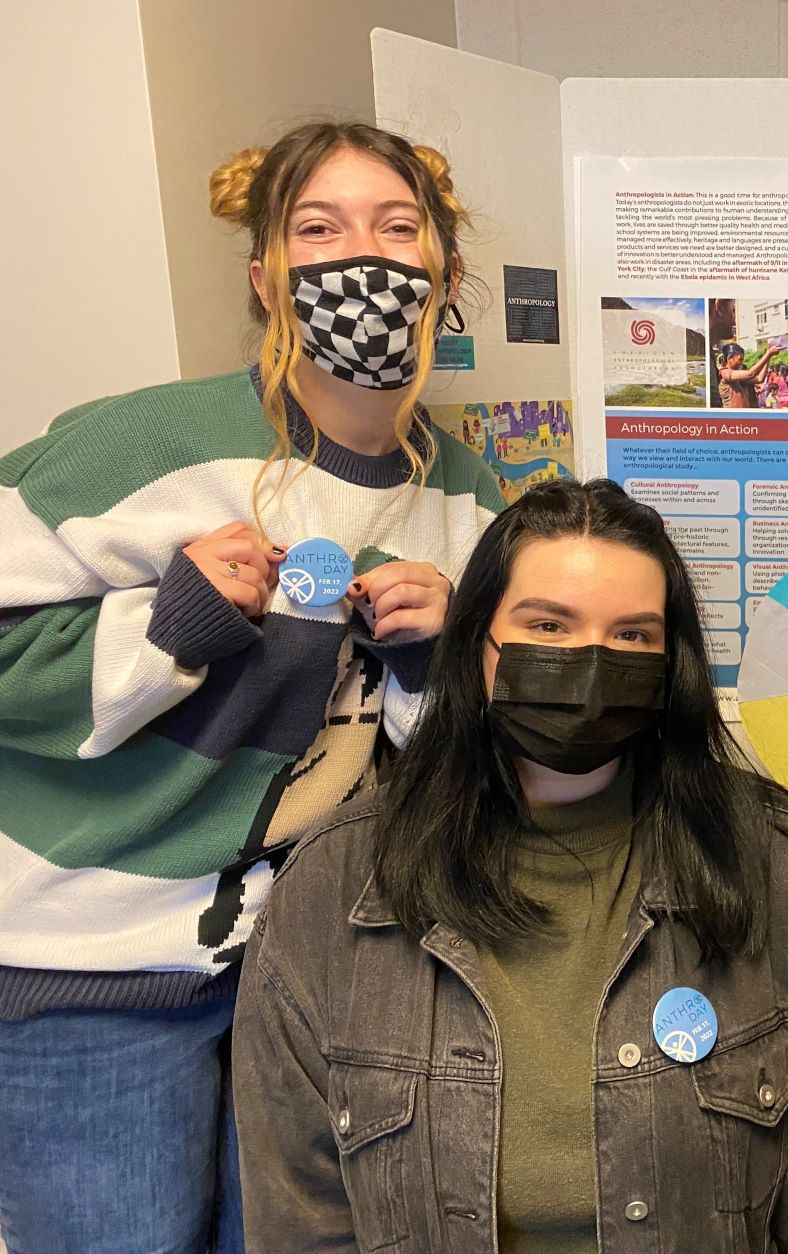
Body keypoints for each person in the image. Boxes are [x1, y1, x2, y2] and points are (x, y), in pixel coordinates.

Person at [0, 121, 499, 1252]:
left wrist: (432, 666)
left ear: (445, 276)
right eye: (316, 229)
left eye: (396, 228)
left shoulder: (468, 497)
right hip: (92, 979)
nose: (358, 259)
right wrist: (164, 626)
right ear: (264, 275)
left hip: (318, 979)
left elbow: (455, 767)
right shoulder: (143, 445)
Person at [233, 478, 788, 1251]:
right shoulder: (335, 886)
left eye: (634, 636)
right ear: (476, 640)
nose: (590, 662)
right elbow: (300, 1221)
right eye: (548, 624)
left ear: (669, 660)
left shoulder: (768, 862)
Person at [716, 341, 779, 408]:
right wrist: (768, 354)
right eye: (740, 359)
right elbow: (750, 373)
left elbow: (760, 379)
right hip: (731, 417)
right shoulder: (724, 373)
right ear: (729, 358)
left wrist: (768, 357)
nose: (741, 363)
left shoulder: (738, 376)